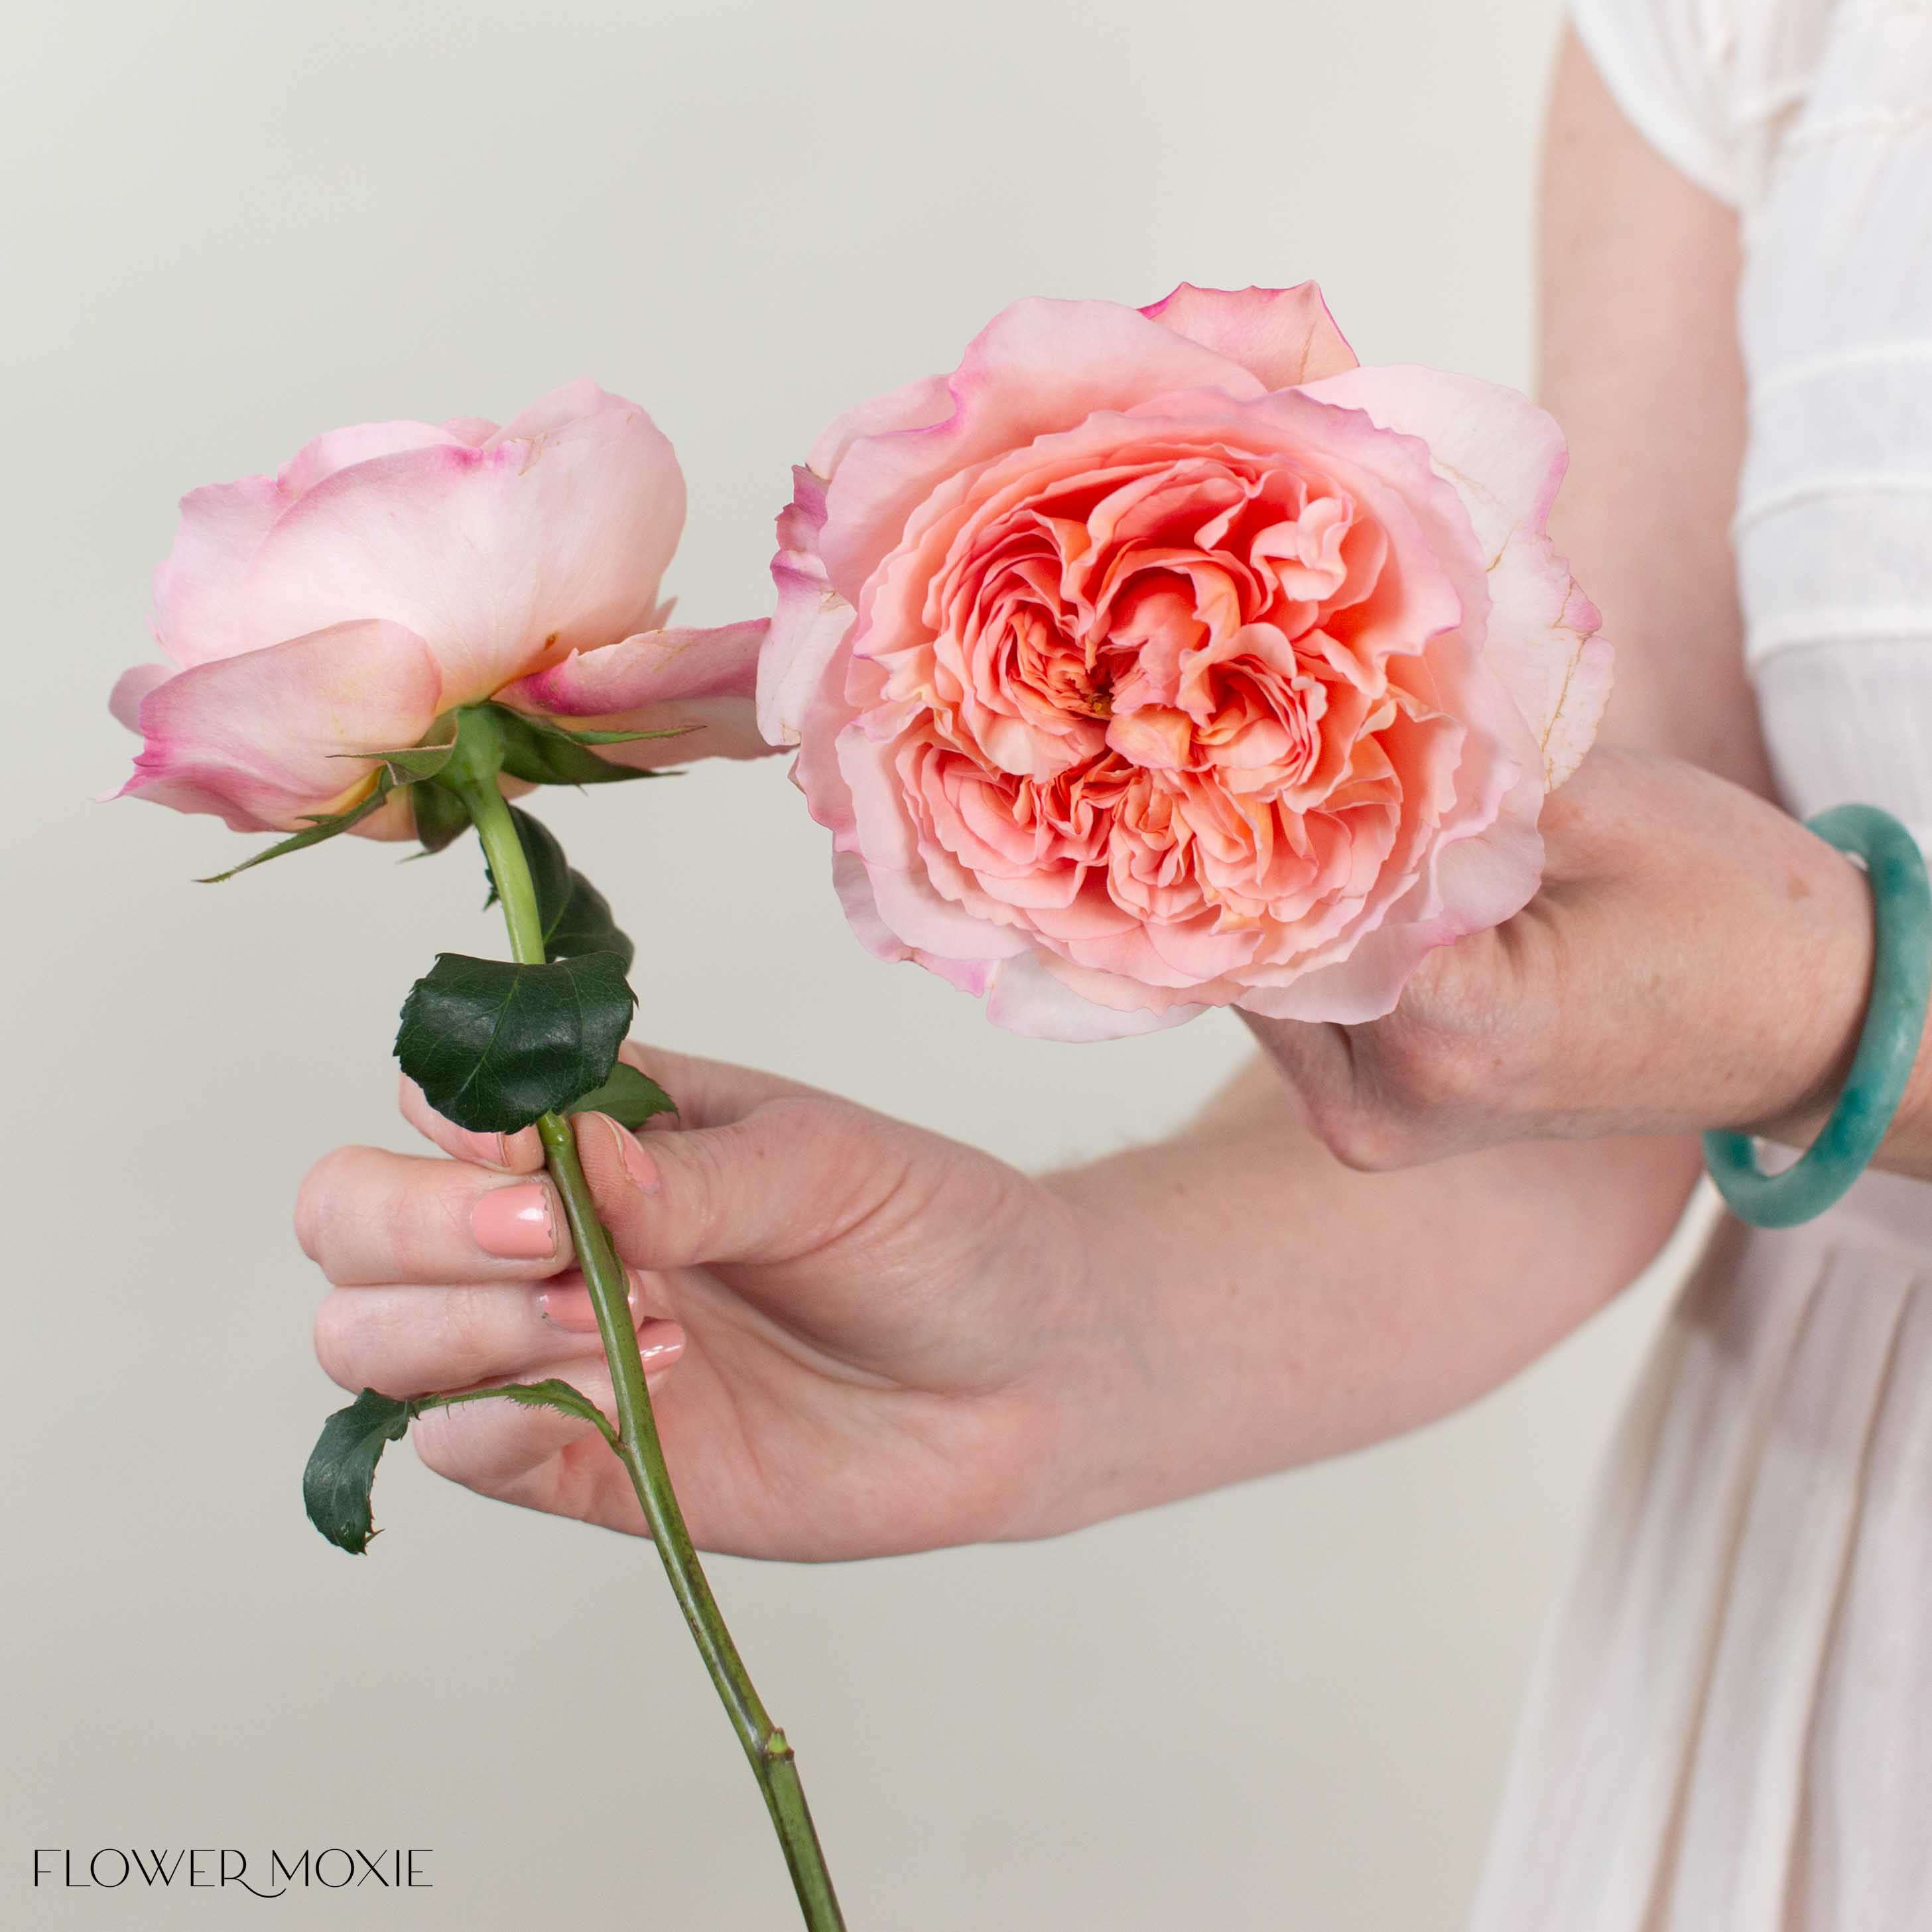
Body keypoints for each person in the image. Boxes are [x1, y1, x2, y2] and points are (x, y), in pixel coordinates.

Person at [293, 0, 1932, 1919]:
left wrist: (1846, 1027)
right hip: (1839, 1560)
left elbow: (1749, 1003)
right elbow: (1620, 1042)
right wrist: (1042, 1338)